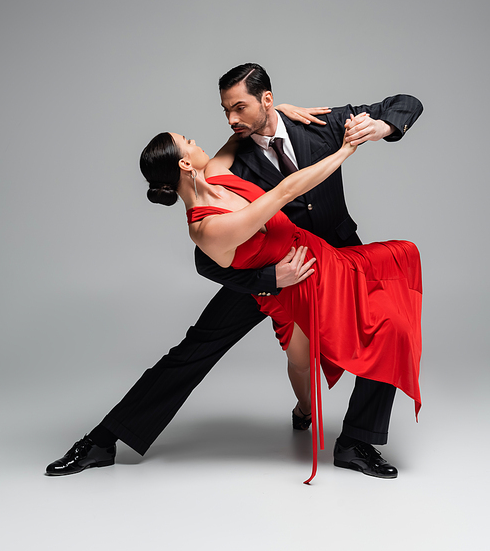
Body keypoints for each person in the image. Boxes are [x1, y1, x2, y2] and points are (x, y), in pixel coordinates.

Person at [46, 64, 423, 479]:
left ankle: (356, 442)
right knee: (193, 352)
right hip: (265, 272)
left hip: (332, 258)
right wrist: (268, 280)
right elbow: (208, 257)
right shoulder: (225, 167)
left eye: (239, 108)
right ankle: (102, 441)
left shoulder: (319, 123)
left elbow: (405, 104)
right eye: (226, 111)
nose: (230, 120)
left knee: (391, 327)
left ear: (265, 99)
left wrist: (382, 126)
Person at [137, 122, 422, 484]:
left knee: (393, 320)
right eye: (187, 142)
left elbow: (239, 136)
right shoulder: (206, 229)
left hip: (324, 262)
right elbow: (285, 191)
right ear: (184, 165)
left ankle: (356, 443)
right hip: (291, 286)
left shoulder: (216, 174)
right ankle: (305, 408)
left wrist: (279, 112)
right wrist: (345, 150)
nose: (195, 141)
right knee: (300, 359)